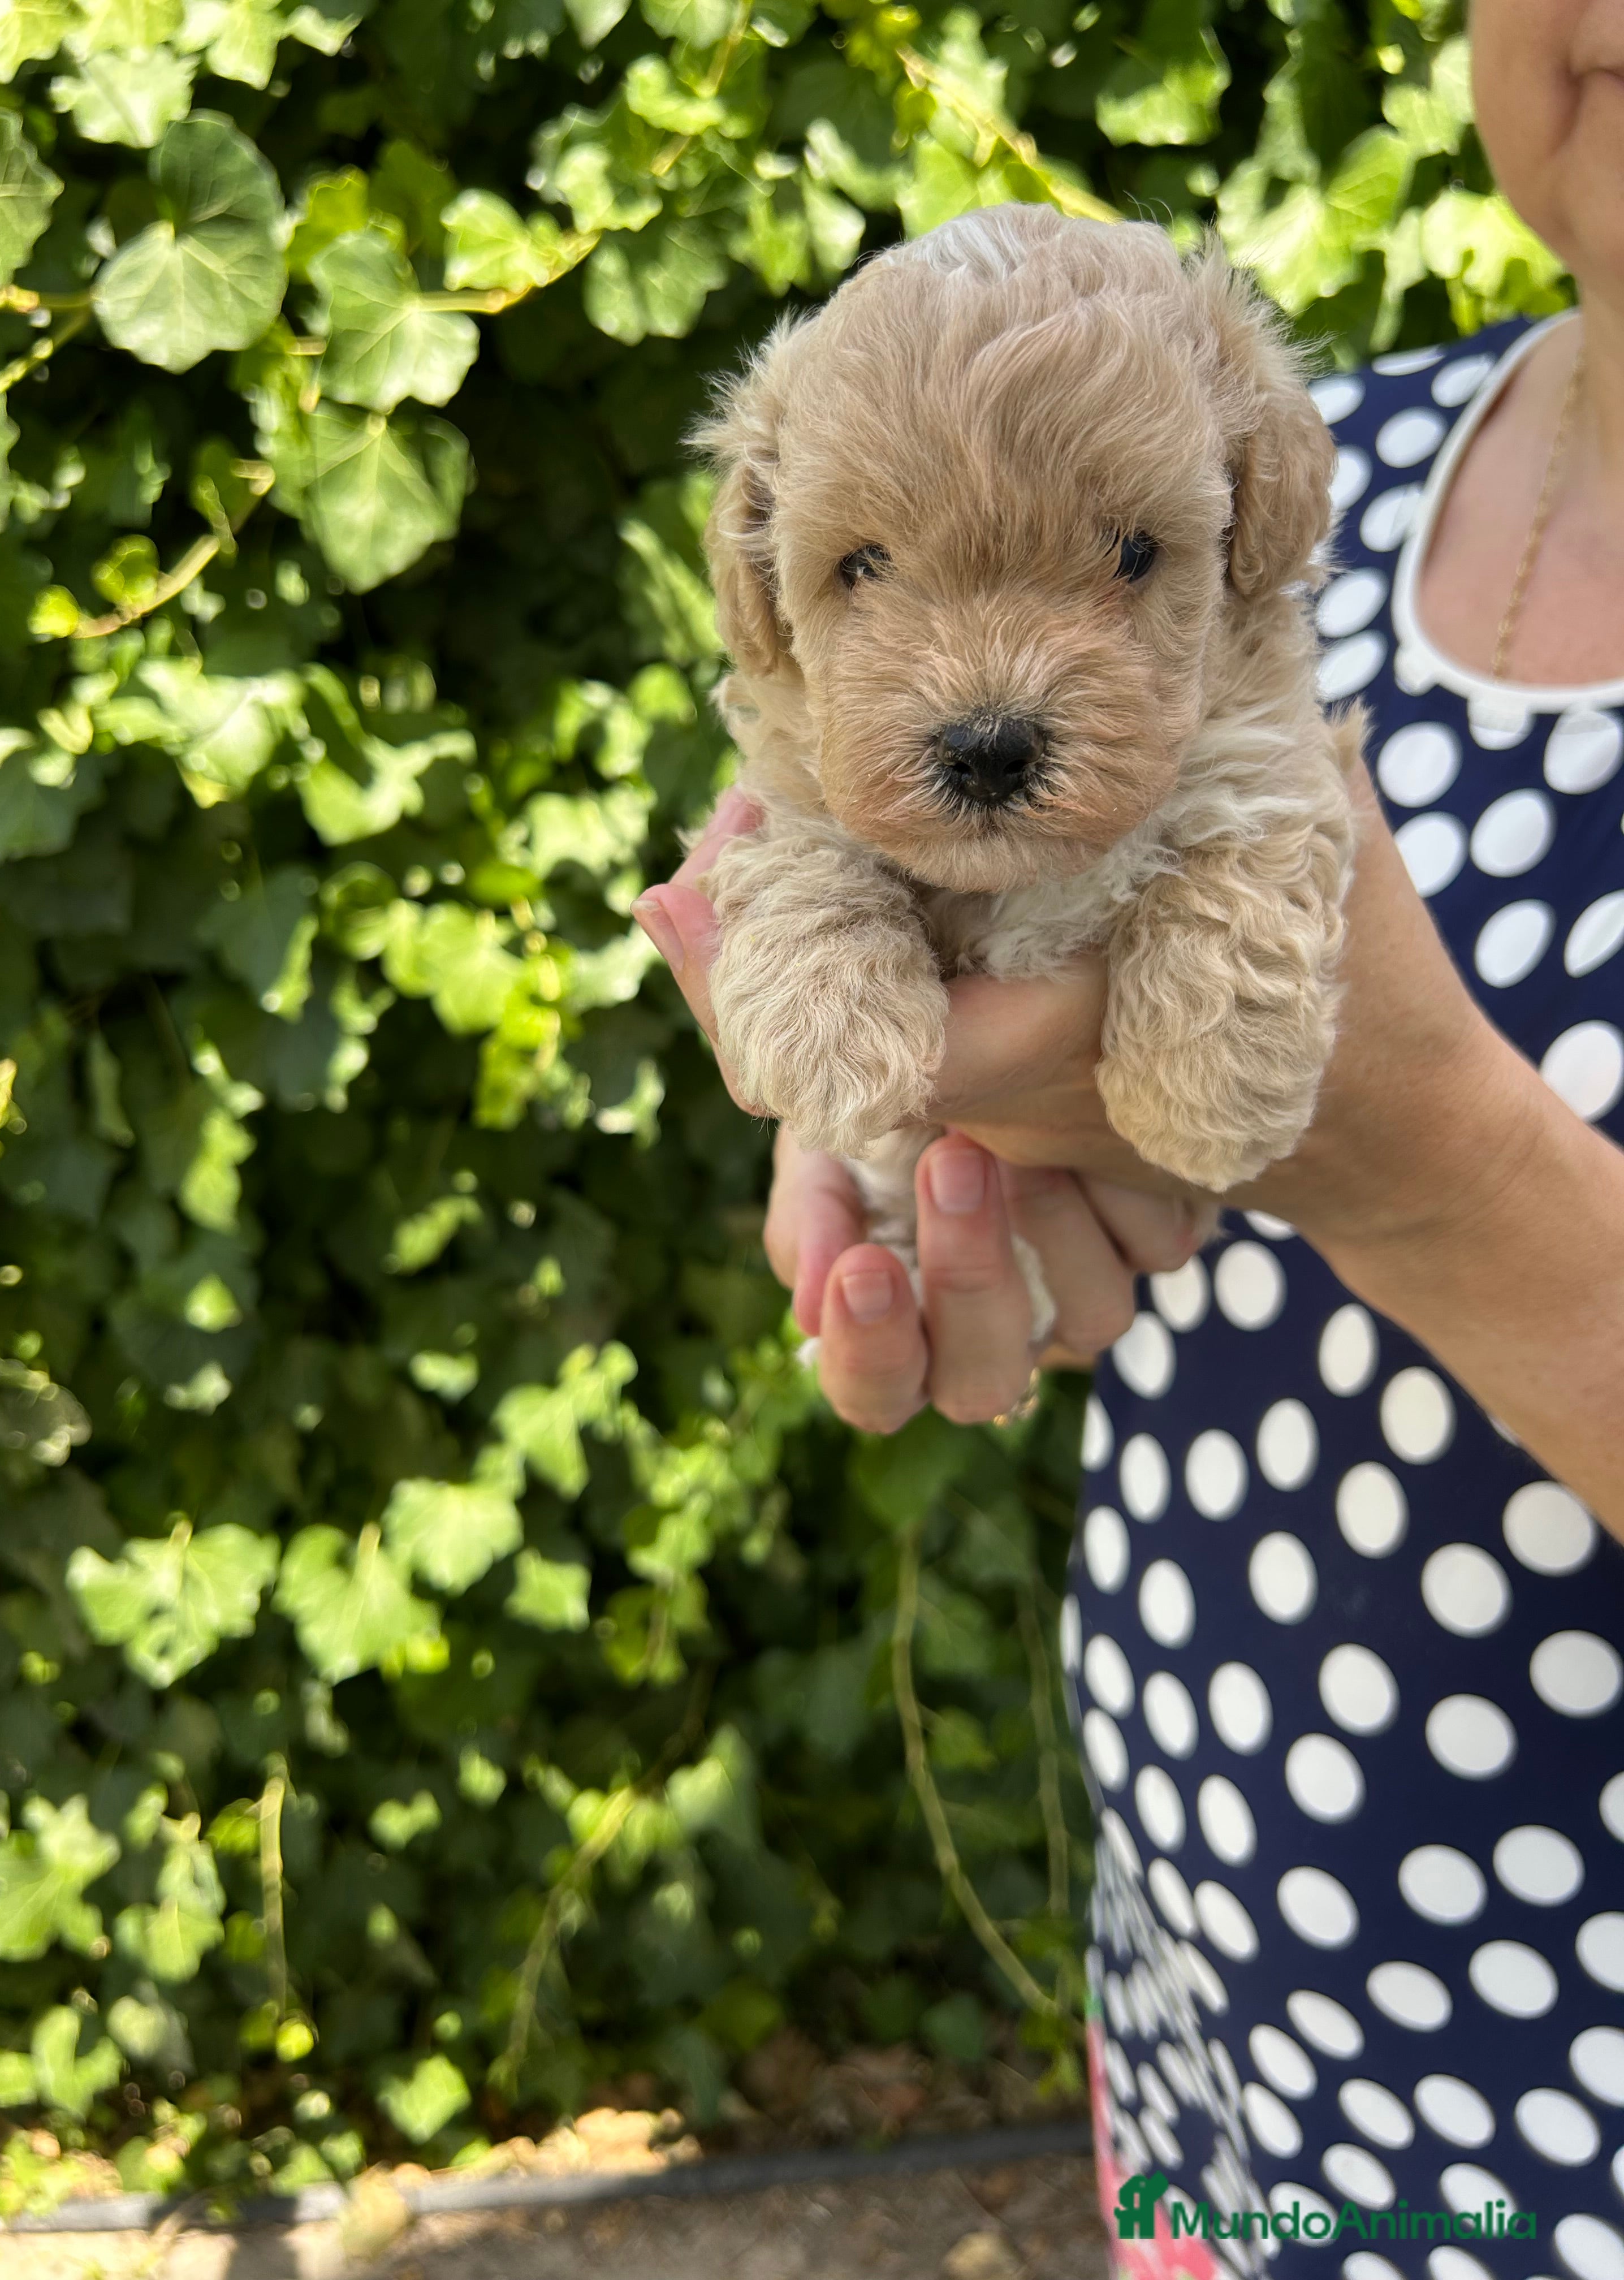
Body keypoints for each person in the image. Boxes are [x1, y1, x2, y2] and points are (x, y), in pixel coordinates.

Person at [630, 1, 1624, 2266]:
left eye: (1113, 567)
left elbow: (1264, 982)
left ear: (1218, 524)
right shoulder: (1356, 458)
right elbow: (839, 882)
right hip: (1225, 1953)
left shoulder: (1233, 497)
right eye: (870, 573)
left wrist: (1420, 1169)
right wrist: (936, 1141)